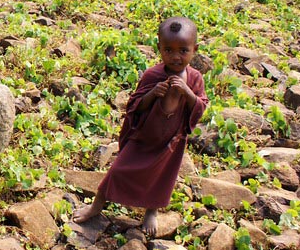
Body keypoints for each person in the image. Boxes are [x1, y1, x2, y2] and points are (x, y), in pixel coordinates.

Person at [73, 16, 209, 236]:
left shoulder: (194, 79)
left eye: (183, 51)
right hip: (144, 137)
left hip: (170, 140)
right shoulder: (153, 75)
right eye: (168, 50)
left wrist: (187, 92)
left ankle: (151, 210)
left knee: (161, 178)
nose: (175, 57)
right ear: (159, 48)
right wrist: (153, 94)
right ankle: (97, 205)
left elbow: (200, 106)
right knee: (119, 170)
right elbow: (135, 105)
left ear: (195, 49)